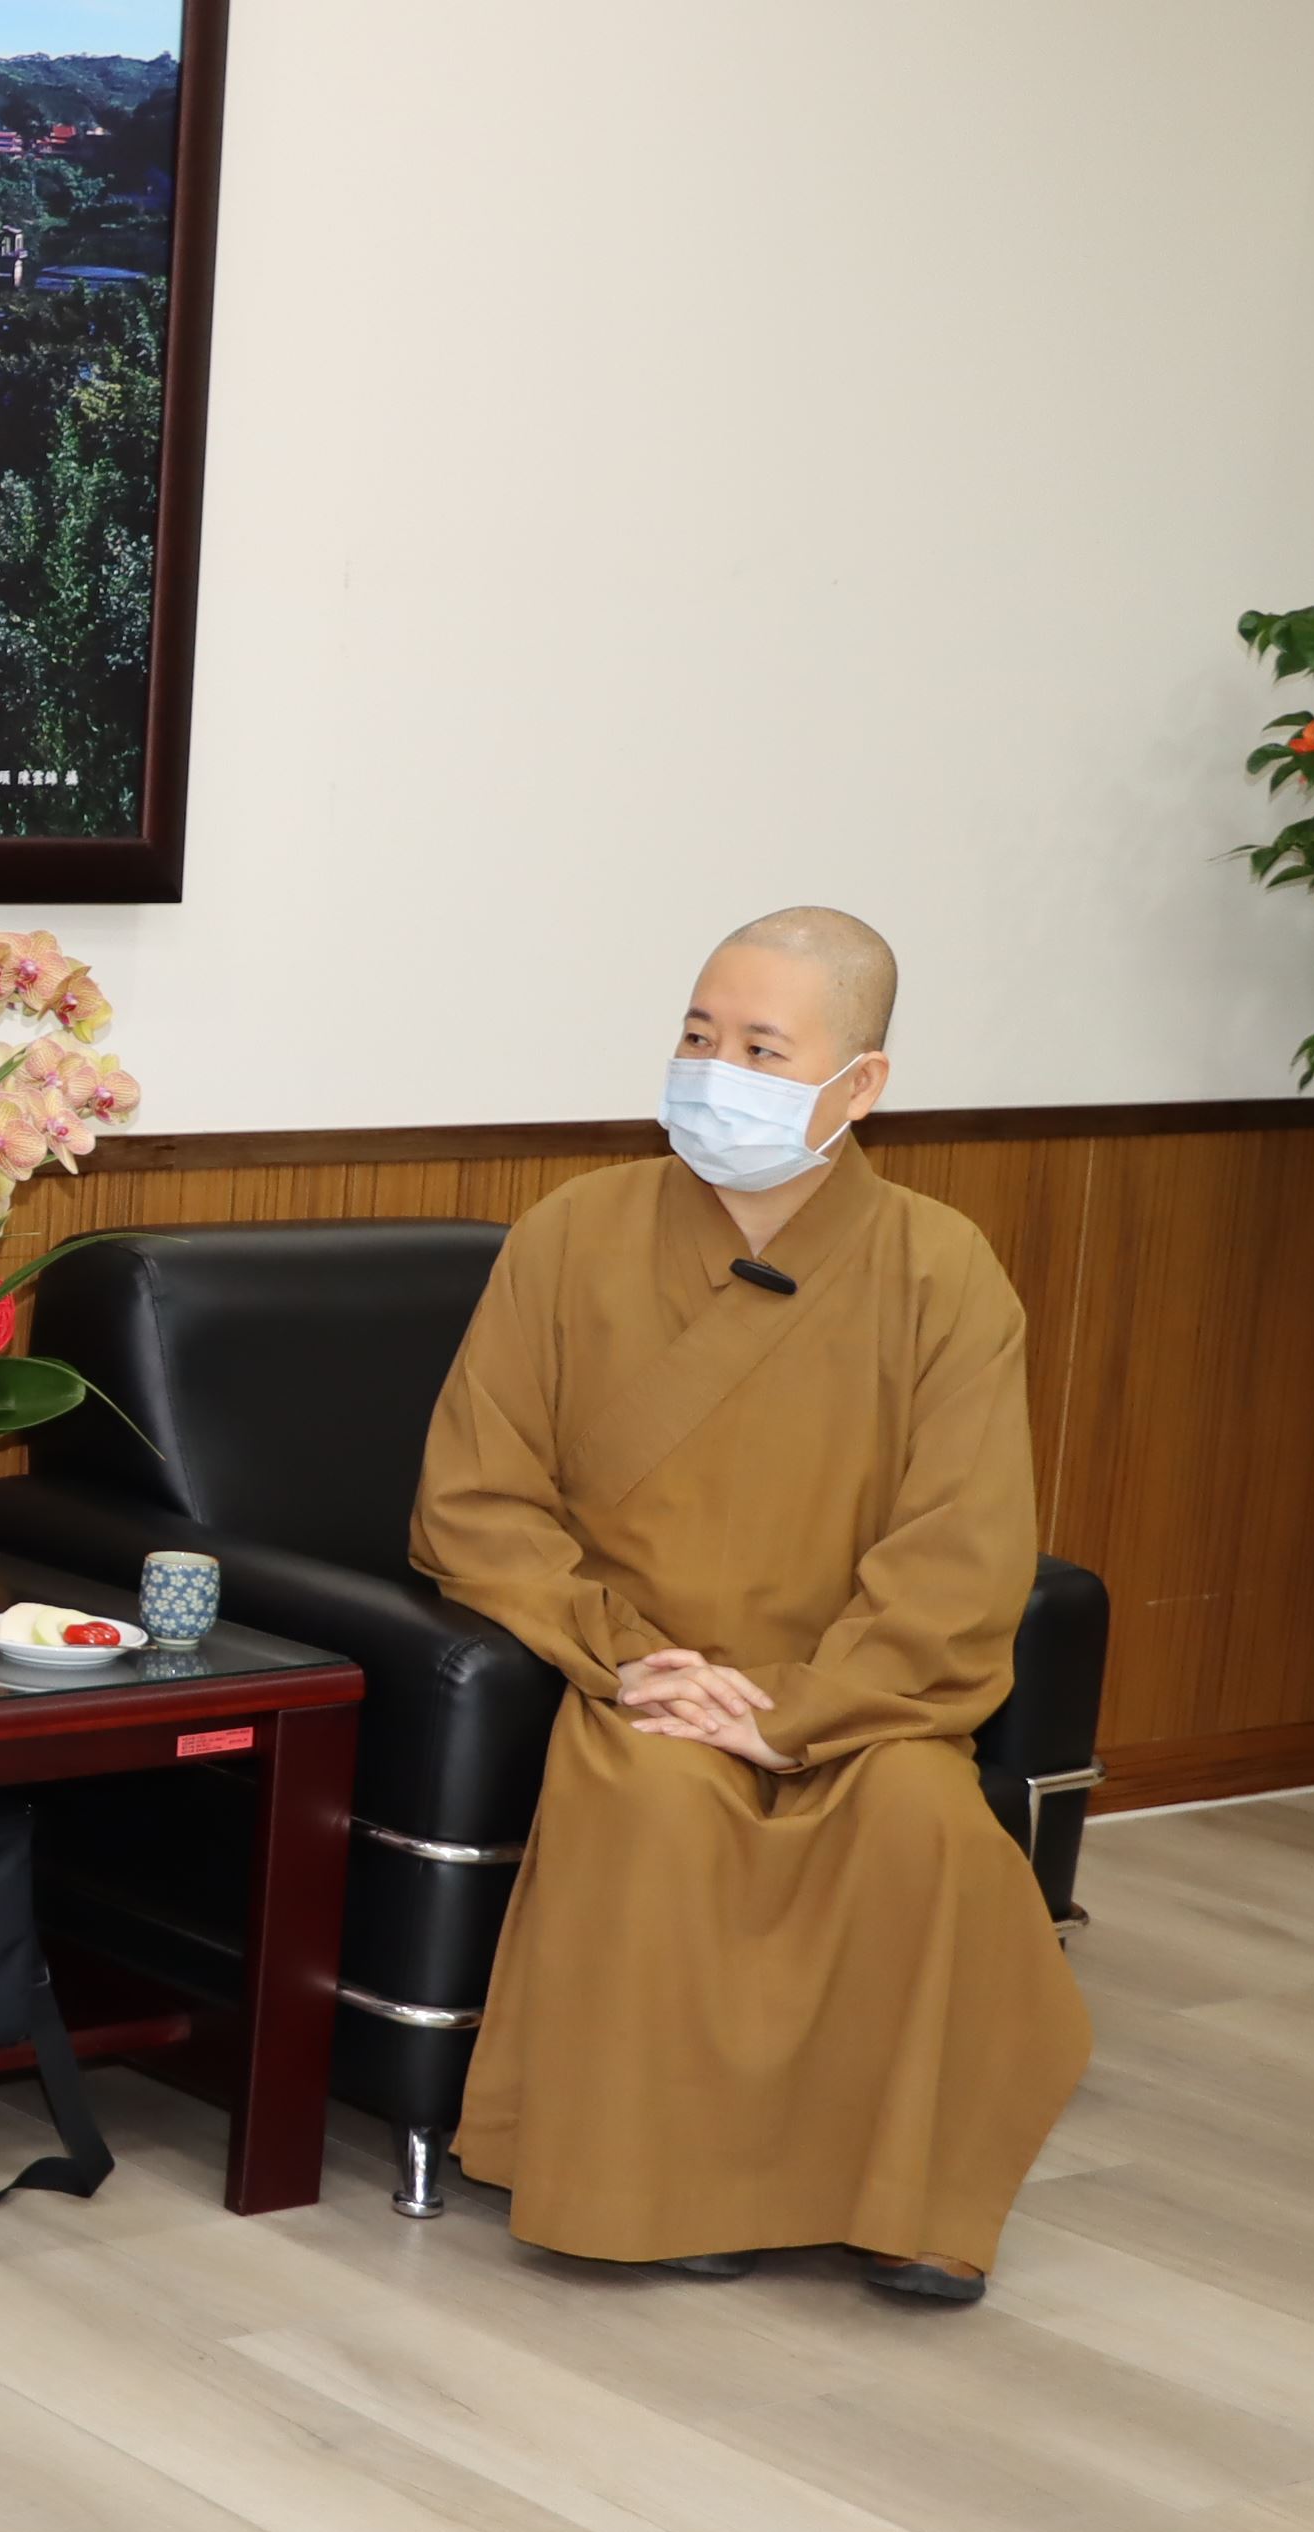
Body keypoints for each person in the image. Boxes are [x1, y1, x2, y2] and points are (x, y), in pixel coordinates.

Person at [409, 906, 1091, 2299]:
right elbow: (476, 1498)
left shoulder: (941, 1269)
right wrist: (626, 1660)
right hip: (648, 1674)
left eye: (763, 1050)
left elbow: (964, 1542)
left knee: (922, 1824)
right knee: (663, 1809)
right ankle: (670, 2192)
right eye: (697, 1036)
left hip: (858, 1690)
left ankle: (907, 2201)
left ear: (861, 1082)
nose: (716, 1072)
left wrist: (805, 1712)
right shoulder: (571, 1234)